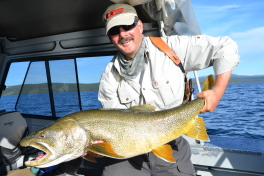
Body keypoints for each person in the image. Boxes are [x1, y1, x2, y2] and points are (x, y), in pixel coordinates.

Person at [86, 3, 240, 176]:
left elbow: (226, 47)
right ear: (109, 37)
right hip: (129, 157)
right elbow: (114, 125)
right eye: (115, 31)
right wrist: (96, 147)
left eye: (127, 26)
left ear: (139, 26)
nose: (123, 34)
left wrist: (217, 91)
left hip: (172, 144)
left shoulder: (171, 48)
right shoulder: (109, 77)